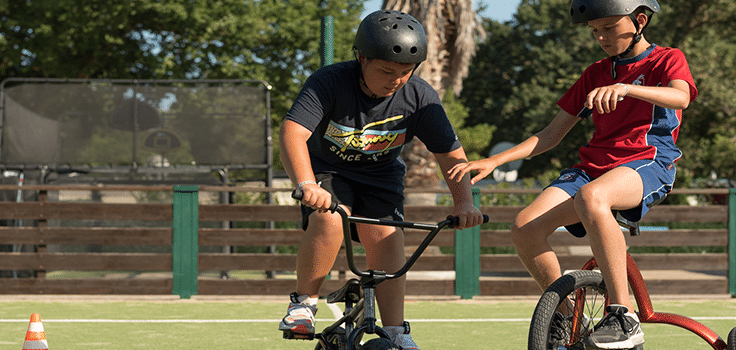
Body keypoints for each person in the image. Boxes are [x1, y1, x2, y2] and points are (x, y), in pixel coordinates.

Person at [447, 0, 696, 348]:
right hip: (593, 167)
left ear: (640, 20)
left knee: (593, 197)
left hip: (647, 160)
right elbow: (550, 135)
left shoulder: (666, 59)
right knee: (524, 227)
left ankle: (623, 316)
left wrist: (626, 88)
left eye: (609, 28)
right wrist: (496, 161)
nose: (601, 38)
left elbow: (680, 97)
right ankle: (563, 318)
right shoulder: (595, 73)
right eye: (595, 31)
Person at [278, 10, 484, 350]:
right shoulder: (329, 81)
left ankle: (396, 331)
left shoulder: (419, 97)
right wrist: (306, 184)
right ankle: (304, 303)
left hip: (381, 176)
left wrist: (464, 202)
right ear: (361, 58)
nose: (396, 80)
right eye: (386, 71)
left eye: (405, 73)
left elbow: (451, 155)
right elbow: (292, 132)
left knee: (387, 237)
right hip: (328, 171)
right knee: (330, 217)